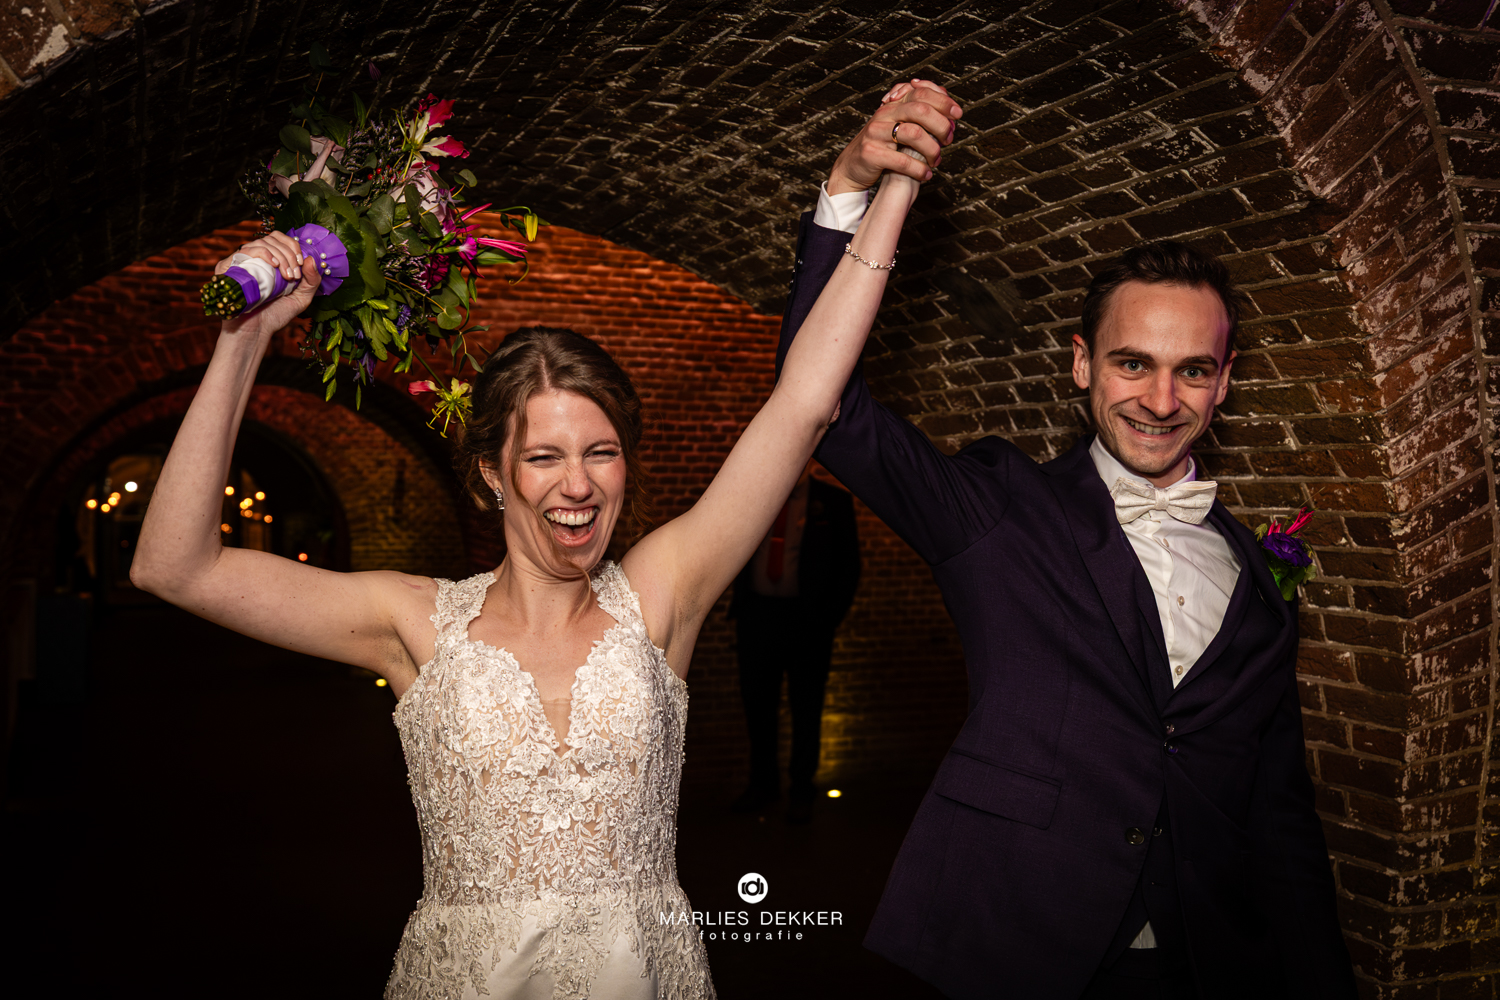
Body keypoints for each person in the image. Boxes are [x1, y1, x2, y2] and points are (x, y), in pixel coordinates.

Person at [128, 83, 941, 1000]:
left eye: (601, 453)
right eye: (546, 456)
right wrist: (244, 341)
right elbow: (173, 566)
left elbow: (804, 404)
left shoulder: (664, 594)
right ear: (491, 474)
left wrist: (880, 188)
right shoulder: (411, 622)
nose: (579, 484)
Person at [777, 82, 1356, 998]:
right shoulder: (1002, 507)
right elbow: (828, 411)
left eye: (1191, 371)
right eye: (1133, 362)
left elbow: (1282, 816)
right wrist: (850, 186)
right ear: (1082, 362)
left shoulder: (1256, 574)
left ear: (1225, 382)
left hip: (1206, 968)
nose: (1161, 402)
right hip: (1016, 950)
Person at [728, 463, 860, 823]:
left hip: (808, 622)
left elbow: (849, 565)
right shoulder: (753, 495)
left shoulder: (832, 501)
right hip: (758, 618)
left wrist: (827, 619)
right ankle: (763, 784)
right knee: (758, 705)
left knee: (807, 706)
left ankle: (803, 787)